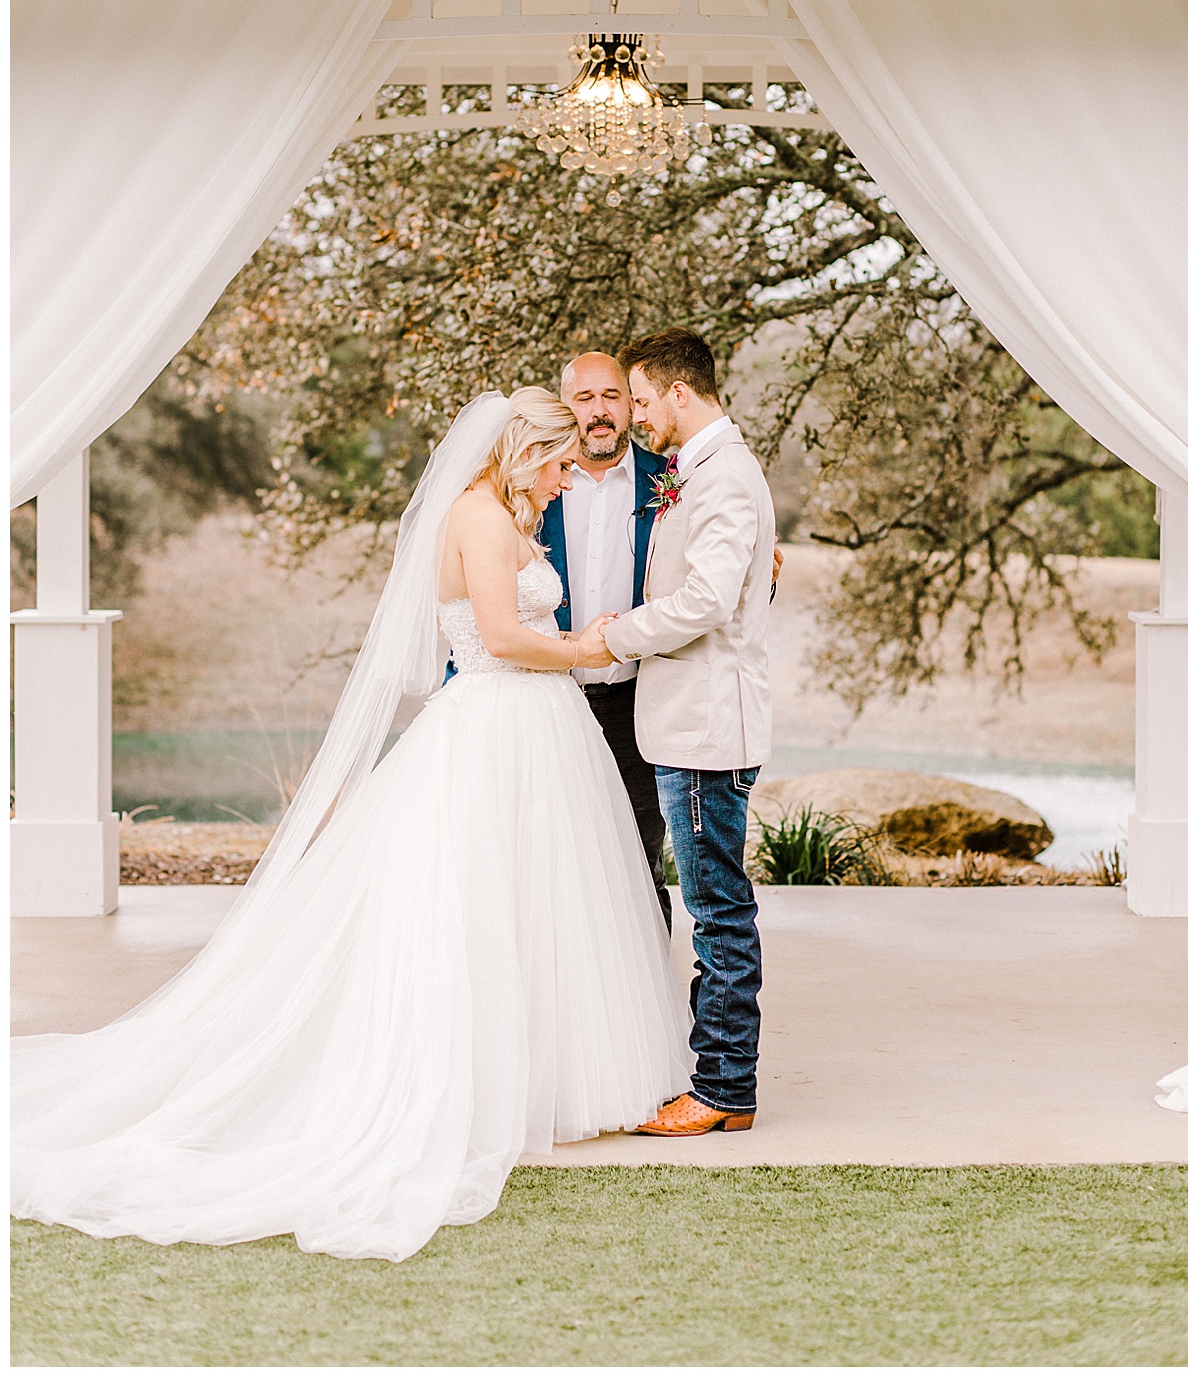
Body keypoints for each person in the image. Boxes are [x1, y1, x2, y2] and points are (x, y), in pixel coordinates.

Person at [12, 389, 690, 1263]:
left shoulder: (508, 513)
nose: (566, 483)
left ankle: (538, 1076)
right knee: (475, 904)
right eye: (561, 466)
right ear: (530, 450)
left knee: (539, 904)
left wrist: (574, 646)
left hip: (538, 730)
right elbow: (501, 637)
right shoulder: (479, 517)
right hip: (494, 724)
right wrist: (590, 648)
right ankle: (465, 1082)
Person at [602, 330, 776, 1138]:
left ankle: (722, 1090)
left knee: (717, 913)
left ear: (678, 391)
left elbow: (706, 601)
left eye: (639, 400)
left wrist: (617, 634)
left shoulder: (727, 478)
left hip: (705, 730)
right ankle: (719, 1082)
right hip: (685, 723)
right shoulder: (699, 473)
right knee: (714, 905)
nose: (636, 417)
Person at [542, 351, 672, 927]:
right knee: (545, 860)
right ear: (564, 406)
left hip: (636, 703)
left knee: (639, 860)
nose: (599, 412)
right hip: (547, 699)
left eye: (611, 397)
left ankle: (650, 1012)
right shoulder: (532, 482)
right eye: (584, 398)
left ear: (631, 405)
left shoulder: (670, 481)